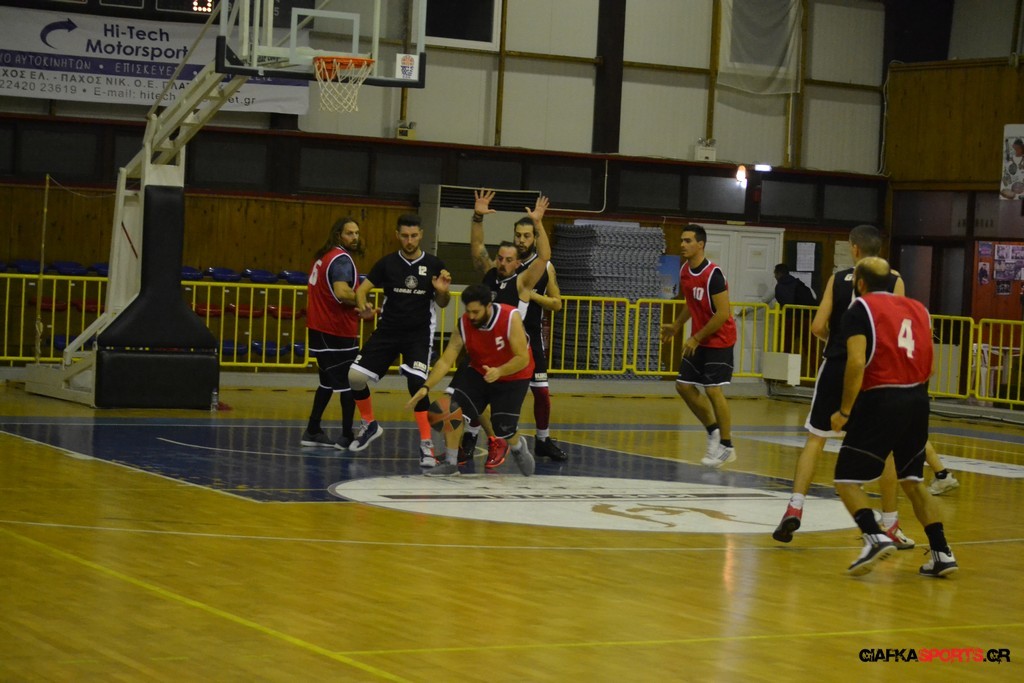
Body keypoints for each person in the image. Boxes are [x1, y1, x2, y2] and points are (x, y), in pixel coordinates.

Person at [772, 224, 955, 543]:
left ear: (854, 249)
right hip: (875, 372)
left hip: (836, 364)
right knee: (886, 451)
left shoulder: (837, 278)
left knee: (815, 440)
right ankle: (891, 523)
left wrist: (838, 341)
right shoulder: (895, 280)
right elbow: (897, 327)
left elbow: (817, 326)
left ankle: (794, 508)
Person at [830, 257, 958, 577]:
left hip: (882, 398)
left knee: (846, 479)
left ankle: (874, 538)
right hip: (917, 399)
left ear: (860, 283)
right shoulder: (919, 309)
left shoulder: (859, 309)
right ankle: (942, 552)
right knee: (913, 481)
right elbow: (931, 364)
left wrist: (845, 411)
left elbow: (856, 362)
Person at [469, 189, 567, 468]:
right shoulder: (499, 266)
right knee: (478, 391)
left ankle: (542, 439)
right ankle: (473, 436)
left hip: (528, 335)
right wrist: (477, 217)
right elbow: (477, 249)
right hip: (496, 340)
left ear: (534, 237)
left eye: (527, 236)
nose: (522, 240)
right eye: (518, 236)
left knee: (541, 392)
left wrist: (530, 295)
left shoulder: (538, 270)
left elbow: (557, 303)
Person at [347, 214, 452, 467]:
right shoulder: (387, 263)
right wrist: (363, 306)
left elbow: (443, 303)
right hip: (388, 331)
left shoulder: (435, 264)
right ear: (397, 235)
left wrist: (442, 292)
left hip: (418, 335)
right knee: (354, 377)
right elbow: (362, 290)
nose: (409, 240)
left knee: (417, 385)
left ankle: (426, 445)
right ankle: (369, 424)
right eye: (405, 236)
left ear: (421, 234)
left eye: (414, 236)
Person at [408, 284, 537, 477]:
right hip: (479, 371)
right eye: (468, 311)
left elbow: (522, 358)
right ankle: (451, 463)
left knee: (503, 428)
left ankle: (518, 446)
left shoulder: (510, 317)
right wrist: (426, 386)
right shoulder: (464, 324)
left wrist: (499, 371)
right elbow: (446, 360)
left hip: (514, 374)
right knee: (451, 409)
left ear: (488, 306)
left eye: (476, 312)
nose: (472, 316)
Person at [660, 224, 737, 468]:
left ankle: (727, 446)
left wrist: (696, 337)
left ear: (700, 244)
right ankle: (713, 431)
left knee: (713, 390)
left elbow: (722, 314)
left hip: (719, 339)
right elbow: (691, 303)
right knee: (683, 386)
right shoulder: (685, 270)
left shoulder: (714, 275)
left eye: (688, 241)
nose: (682, 244)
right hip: (700, 338)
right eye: (682, 240)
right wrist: (676, 326)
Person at [301, 217, 372, 449]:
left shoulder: (325, 256)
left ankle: (312, 430)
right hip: (335, 330)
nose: (355, 237)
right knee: (348, 383)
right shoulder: (341, 260)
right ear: (338, 235)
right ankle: (347, 435)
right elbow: (341, 292)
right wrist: (363, 301)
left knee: (326, 383)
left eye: (357, 233)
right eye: (350, 233)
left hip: (320, 329)